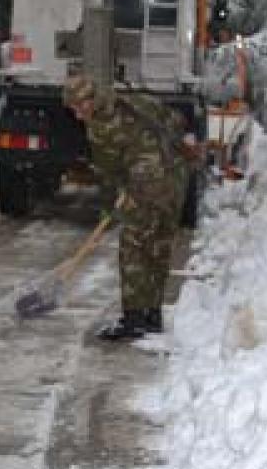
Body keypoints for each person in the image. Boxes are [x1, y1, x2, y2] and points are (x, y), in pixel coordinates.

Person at [62, 74, 187, 341]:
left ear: (91, 100)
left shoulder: (100, 126)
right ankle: (152, 315)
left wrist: (114, 203)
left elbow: (109, 171)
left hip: (148, 187)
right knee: (158, 246)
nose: (77, 114)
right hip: (175, 180)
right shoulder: (134, 101)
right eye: (72, 108)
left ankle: (133, 320)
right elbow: (175, 121)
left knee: (132, 250)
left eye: (78, 106)